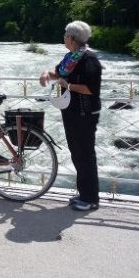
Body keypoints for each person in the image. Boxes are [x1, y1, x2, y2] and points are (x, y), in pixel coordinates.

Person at [39, 21, 102, 211]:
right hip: (72, 112)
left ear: (72, 38)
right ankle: (84, 194)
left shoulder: (89, 60)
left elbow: (91, 89)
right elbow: (58, 73)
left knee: (85, 155)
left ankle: (91, 199)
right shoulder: (71, 58)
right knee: (77, 154)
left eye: (66, 34)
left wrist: (68, 86)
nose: (64, 37)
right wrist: (45, 74)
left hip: (85, 113)